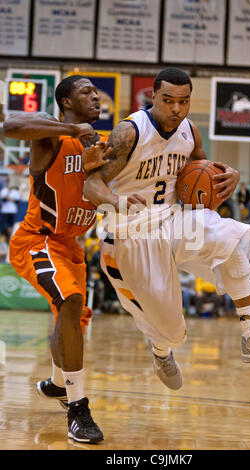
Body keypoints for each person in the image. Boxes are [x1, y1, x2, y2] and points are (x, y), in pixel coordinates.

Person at [82, 68, 250, 390]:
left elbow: (200, 171)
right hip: (129, 236)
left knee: (231, 238)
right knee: (172, 331)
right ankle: (161, 349)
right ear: (153, 97)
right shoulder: (129, 132)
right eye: (168, 100)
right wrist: (116, 200)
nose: (176, 109)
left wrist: (228, 175)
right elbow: (90, 184)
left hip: (172, 220)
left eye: (183, 101)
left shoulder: (189, 130)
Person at [3, 75, 111, 444]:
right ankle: (78, 409)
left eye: (96, 93)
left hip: (70, 246)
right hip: (37, 240)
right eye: (86, 92)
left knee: (69, 319)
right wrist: (71, 127)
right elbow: (10, 126)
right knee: (69, 301)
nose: (95, 96)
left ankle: (55, 382)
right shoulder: (51, 137)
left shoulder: (102, 143)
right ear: (66, 101)